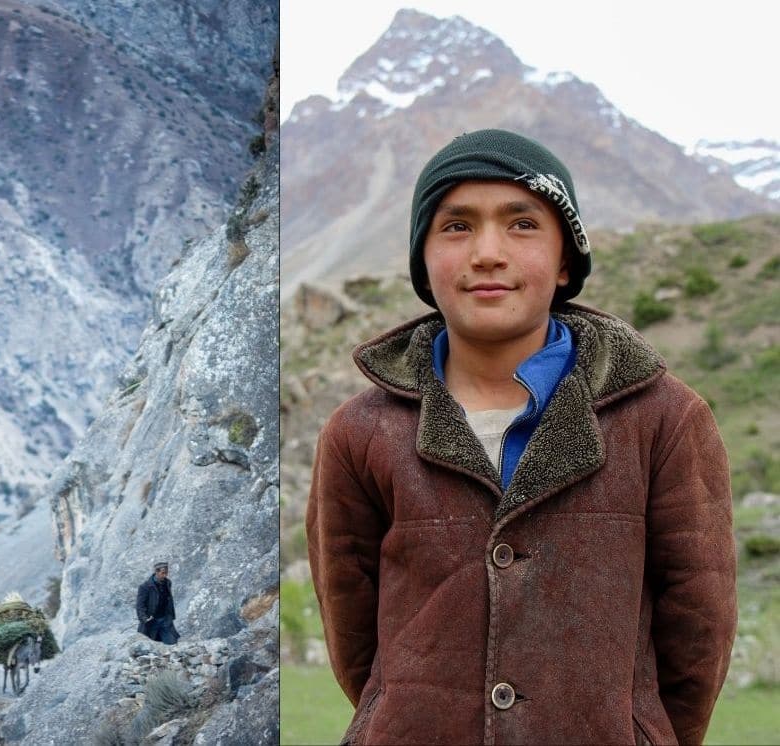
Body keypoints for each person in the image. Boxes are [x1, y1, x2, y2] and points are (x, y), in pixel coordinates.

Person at [305, 129, 737, 745]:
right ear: (423, 261)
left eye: (522, 224)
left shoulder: (664, 420)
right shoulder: (359, 432)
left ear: (566, 260)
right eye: (456, 226)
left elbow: (699, 628)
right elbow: (355, 640)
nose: (487, 252)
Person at [136, 561, 179, 644]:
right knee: (147, 645)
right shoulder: (145, 587)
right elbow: (140, 605)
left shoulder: (167, 583)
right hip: (152, 620)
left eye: (166, 573)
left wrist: (170, 615)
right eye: (163, 573)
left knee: (172, 644)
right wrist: (144, 618)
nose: (165, 575)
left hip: (165, 619)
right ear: (156, 572)